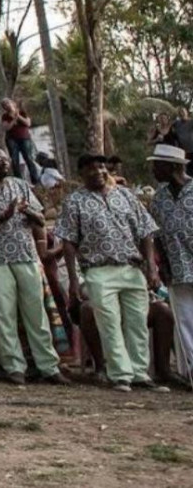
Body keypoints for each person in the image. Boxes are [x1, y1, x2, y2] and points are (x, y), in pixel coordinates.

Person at [55, 153, 162, 391]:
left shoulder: (126, 196)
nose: (99, 172)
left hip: (132, 268)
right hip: (98, 270)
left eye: (102, 167)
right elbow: (69, 242)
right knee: (110, 324)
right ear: (82, 173)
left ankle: (139, 373)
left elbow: (145, 232)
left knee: (137, 323)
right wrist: (73, 280)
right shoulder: (75, 201)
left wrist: (151, 269)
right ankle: (120, 374)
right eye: (92, 168)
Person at [0, 142, 64, 384]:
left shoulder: (21, 186)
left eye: (6, 159)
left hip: (27, 256)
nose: (5, 163)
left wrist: (25, 212)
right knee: (5, 315)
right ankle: (14, 367)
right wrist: (4, 215)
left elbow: (41, 218)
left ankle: (49, 366)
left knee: (36, 314)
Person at [147, 144, 193, 387]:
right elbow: (156, 235)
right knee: (185, 321)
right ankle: (190, 373)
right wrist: (160, 264)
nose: (154, 169)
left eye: (158, 165)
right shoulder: (159, 198)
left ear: (173, 167)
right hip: (177, 268)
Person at [1, 99, 36, 182]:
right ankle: (19, 181)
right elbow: (6, 127)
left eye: (7, 103)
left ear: (13, 103)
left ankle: (35, 180)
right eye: (4, 105)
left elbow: (28, 123)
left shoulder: (22, 112)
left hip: (24, 138)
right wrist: (13, 119)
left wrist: (18, 116)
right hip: (11, 140)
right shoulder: (5, 116)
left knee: (29, 158)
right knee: (15, 160)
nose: (7, 106)